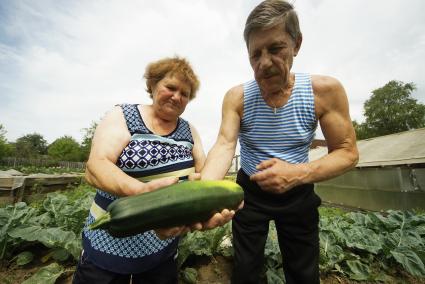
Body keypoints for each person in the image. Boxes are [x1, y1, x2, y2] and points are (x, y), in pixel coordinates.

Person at [200, 1, 359, 283]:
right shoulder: (237, 97)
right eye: (255, 55)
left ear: (296, 45)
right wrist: (202, 198)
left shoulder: (324, 91)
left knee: (303, 272)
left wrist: (297, 174)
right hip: (249, 193)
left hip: (298, 190)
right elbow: (225, 144)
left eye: (275, 49)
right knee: (246, 271)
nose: (264, 63)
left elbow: (347, 152)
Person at [73, 56, 235, 284]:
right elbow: (96, 165)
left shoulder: (190, 131)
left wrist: (207, 206)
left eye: (185, 94)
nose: (177, 96)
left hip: (163, 252)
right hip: (107, 243)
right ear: (153, 85)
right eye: (170, 87)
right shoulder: (123, 116)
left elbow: (203, 177)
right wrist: (140, 192)